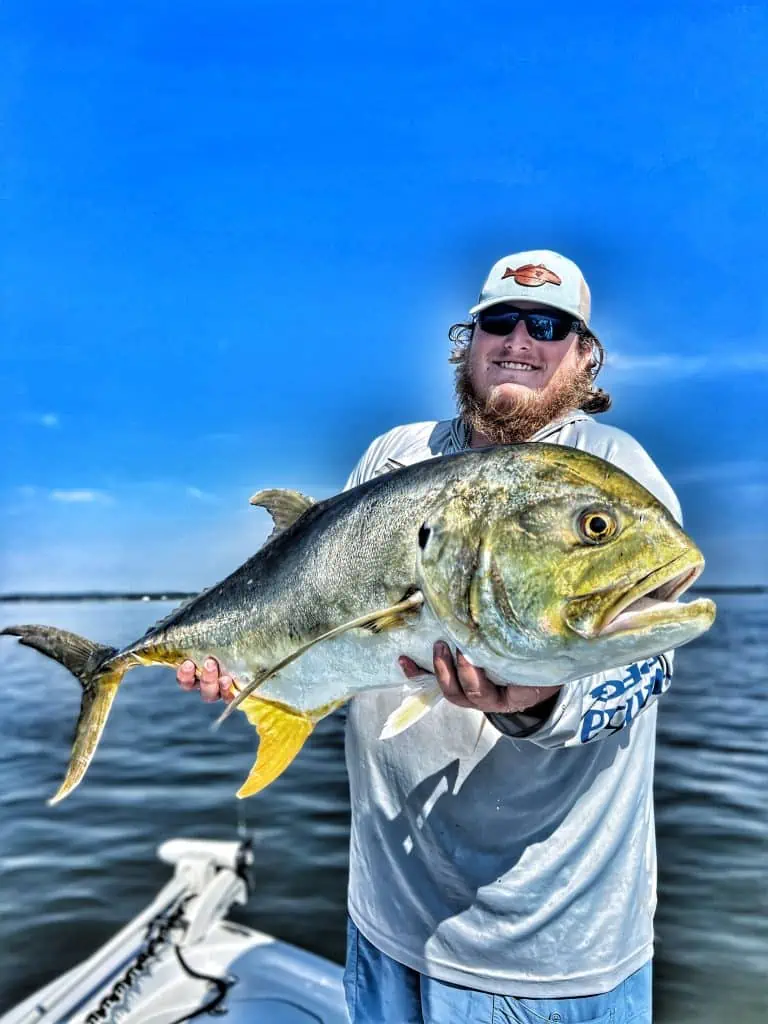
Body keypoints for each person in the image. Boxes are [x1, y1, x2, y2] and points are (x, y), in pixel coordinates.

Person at [177, 250, 678, 1023]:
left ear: (585, 355)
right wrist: (249, 666)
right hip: (385, 920)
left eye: (549, 325)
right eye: (498, 320)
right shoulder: (394, 457)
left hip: (546, 950)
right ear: (466, 341)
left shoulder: (612, 472)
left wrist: (541, 701)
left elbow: (648, 665)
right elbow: (321, 608)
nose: (520, 339)